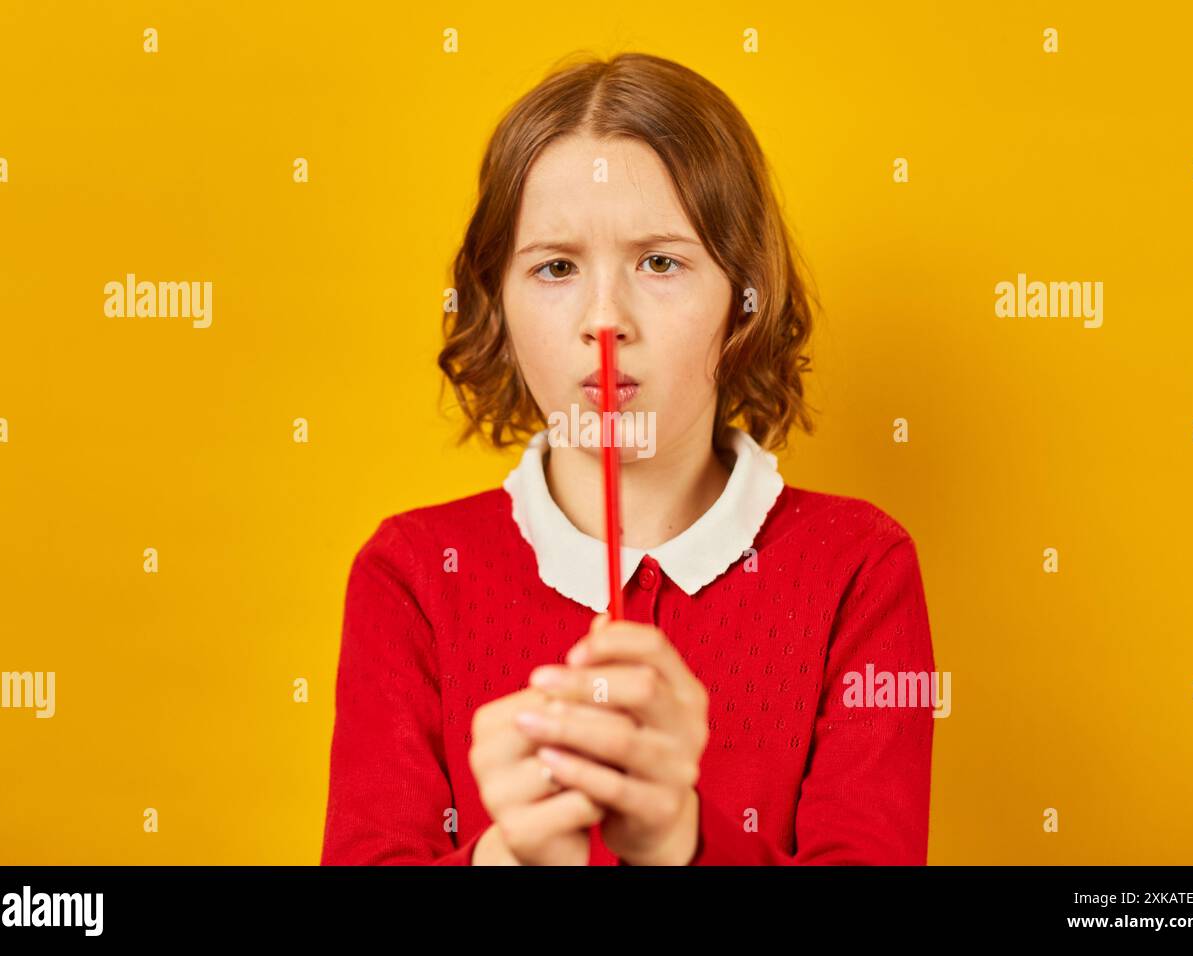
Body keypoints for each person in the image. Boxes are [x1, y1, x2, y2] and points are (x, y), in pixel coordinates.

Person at [320, 52, 935, 866]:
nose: (604, 320)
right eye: (556, 267)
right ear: (496, 299)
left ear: (743, 294)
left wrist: (681, 841)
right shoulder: (411, 576)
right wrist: (507, 858)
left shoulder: (859, 567)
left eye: (659, 262)